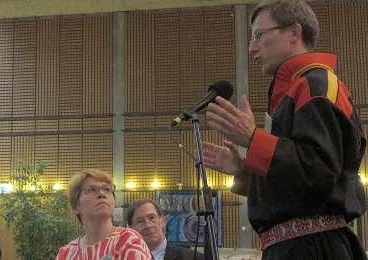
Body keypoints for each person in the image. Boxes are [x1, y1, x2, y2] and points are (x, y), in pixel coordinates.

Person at [202, 0, 368, 259]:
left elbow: (319, 171)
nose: (252, 47)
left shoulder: (316, 84)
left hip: (313, 247)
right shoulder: (293, 89)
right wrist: (245, 171)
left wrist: (253, 139)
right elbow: (296, 183)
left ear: (294, 32)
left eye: (259, 35)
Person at [57, 169, 152, 260]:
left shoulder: (128, 241)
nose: (102, 194)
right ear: (76, 206)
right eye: (91, 190)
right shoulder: (66, 253)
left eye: (107, 189)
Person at [127, 199, 204, 260]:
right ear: (131, 229)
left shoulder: (193, 258)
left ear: (163, 221)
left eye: (152, 218)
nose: (148, 225)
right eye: (140, 221)